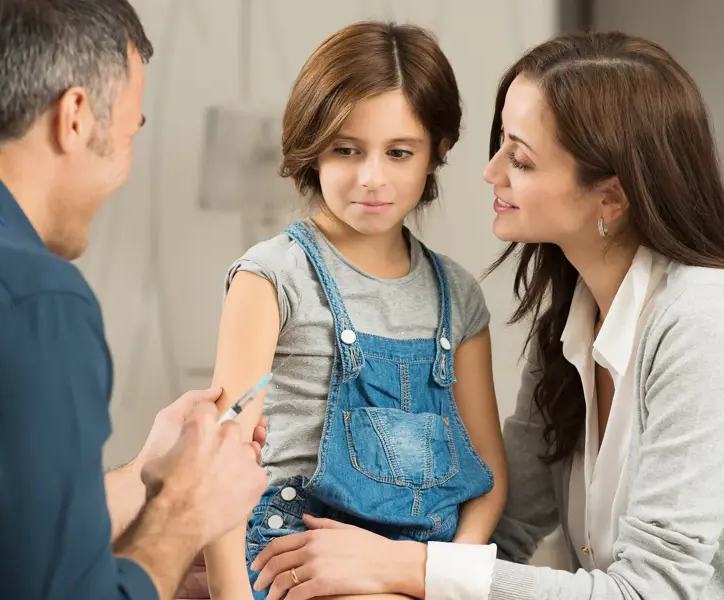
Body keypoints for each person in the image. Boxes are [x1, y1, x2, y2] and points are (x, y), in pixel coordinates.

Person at [247, 29, 724, 600]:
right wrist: (305, 561)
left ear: (611, 198)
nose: (490, 171)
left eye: (519, 158)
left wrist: (405, 568)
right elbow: (502, 527)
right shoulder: (571, 323)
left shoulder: (700, 320)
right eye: (500, 144)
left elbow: (657, 591)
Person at [0, 2, 268, 600]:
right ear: (76, 116)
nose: (129, 165)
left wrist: (145, 479)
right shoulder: (27, 295)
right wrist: (184, 515)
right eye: (132, 131)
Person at [204, 20, 508, 600]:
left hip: (420, 567)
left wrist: (444, 576)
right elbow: (219, 459)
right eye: (347, 150)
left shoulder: (459, 296)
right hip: (293, 559)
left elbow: (488, 479)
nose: (372, 178)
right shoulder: (270, 276)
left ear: (436, 154)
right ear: (312, 148)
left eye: (399, 153)